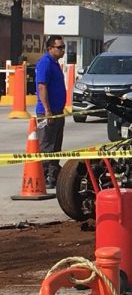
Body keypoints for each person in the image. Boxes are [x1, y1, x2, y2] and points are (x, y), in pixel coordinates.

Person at [35, 35, 67, 189]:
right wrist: (48, 110)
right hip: (48, 113)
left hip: (57, 112)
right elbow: (42, 87)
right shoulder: (45, 63)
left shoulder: (55, 64)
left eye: (63, 47)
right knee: (46, 146)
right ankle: (42, 176)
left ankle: (53, 176)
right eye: (59, 47)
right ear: (50, 48)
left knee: (56, 147)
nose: (63, 50)